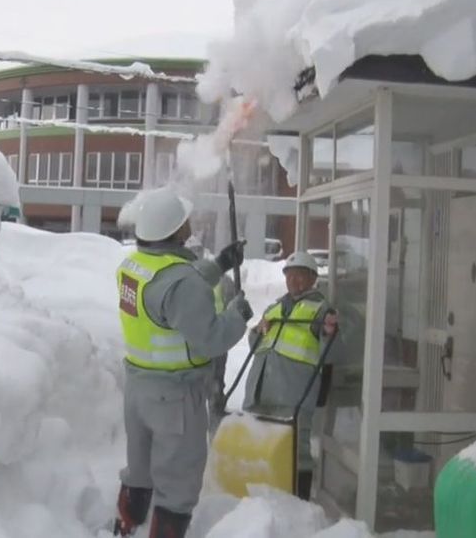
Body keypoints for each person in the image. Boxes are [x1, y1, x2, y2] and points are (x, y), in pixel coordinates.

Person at [114, 188, 253, 538]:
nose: (189, 224)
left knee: (140, 470)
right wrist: (237, 315)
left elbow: (172, 289)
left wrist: (219, 263)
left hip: (138, 389)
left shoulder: (134, 266)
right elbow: (210, 339)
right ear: (175, 231)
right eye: (184, 222)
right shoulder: (182, 282)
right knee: (178, 485)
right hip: (175, 397)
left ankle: (126, 526)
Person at [241, 251, 338, 501]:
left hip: (294, 391)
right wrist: (257, 331)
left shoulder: (321, 309)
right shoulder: (275, 307)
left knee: (297, 450)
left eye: (299, 276)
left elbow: (332, 351)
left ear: (313, 278)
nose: (293, 281)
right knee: (262, 445)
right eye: (289, 275)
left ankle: (299, 502)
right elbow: (255, 342)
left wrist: (328, 332)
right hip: (261, 388)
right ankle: (261, 499)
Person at [185, 235, 239, 434]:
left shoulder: (223, 280)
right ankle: (195, 433)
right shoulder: (180, 279)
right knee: (193, 392)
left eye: (197, 252)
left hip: (215, 341)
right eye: (191, 252)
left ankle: (215, 435)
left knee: (215, 389)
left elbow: (233, 306)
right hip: (191, 343)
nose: (194, 256)